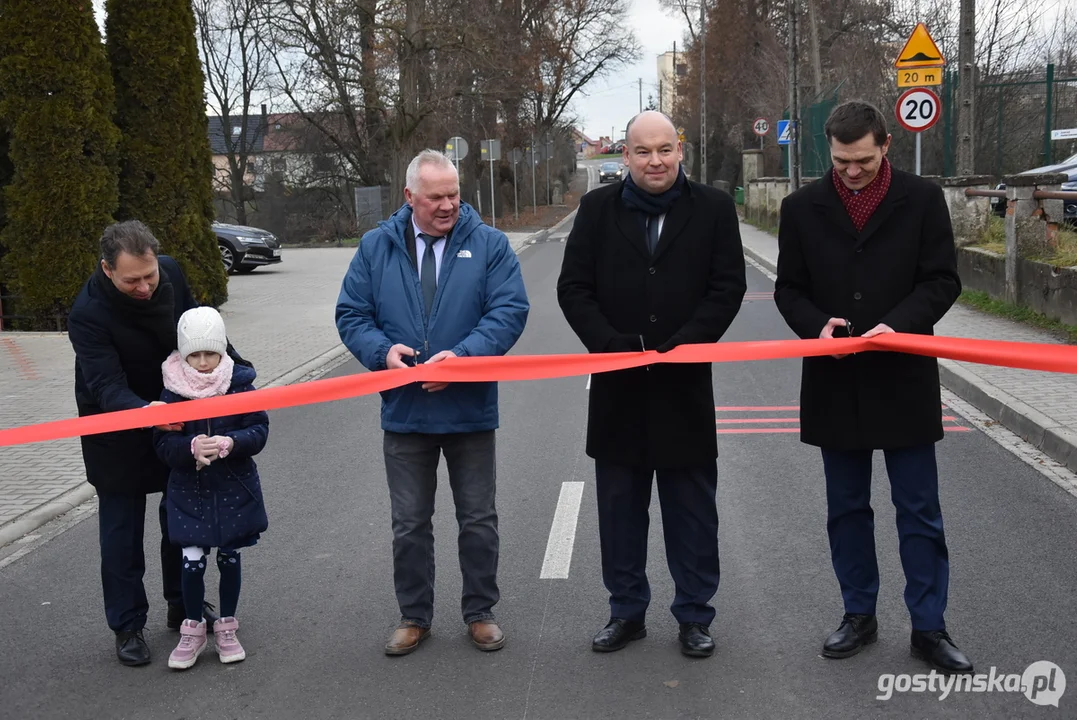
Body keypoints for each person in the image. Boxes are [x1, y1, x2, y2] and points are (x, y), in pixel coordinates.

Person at [773, 100, 972, 674]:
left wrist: (901, 325)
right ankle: (858, 614)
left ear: (885, 144)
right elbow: (789, 289)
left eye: (861, 160)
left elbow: (942, 280)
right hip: (835, 380)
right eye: (840, 162)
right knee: (847, 509)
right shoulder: (802, 207)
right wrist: (817, 325)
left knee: (919, 510)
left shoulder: (923, 198)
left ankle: (929, 627)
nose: (851, 171)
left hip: (904, 376)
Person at [556, 111, 747, 658]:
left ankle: (694, 615)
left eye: (665, 149)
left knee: (691, 510)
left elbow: (726, 287)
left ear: (680, 150)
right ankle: (626, 612)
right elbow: (574, 289)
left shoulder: (712, 209)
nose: (655, 160)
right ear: (626, 156)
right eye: (643, 151)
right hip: (619, 385)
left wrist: (686, 343)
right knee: (620, 510)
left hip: (684, 384)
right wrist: (611, 345)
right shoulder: (596, 209)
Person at [335, 149, 529, 656]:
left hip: (469, 411)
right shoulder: (376, 247)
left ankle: (480, 611)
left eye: (454, 195)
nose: (449, 206)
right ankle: (414, 616)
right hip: (404, 412)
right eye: (436, 197)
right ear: (410, 197)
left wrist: (462, 359)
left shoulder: (489, 245)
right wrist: (382, 352)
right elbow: (352, 313)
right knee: (409, 525)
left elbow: (509, 310)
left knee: (478, 519)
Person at [68, 220, 222, 666]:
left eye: (149, 276)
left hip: (174, 421)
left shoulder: (171, 273)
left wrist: (238, 371)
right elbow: (105, 386)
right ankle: (128, 624)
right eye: (132, 279)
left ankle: (184, 605)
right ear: (107, 270)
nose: (144, 287)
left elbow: (201, 334)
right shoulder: (87, 313)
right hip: (116, 429)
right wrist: (145, 412)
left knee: (181, 522)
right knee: (121, 532)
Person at [153, 306, 269, 670]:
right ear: (183, 354)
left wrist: (231, 443)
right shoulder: (171, 392)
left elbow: (259, 430)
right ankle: (192, 629)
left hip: (233, 487)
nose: (203, 362)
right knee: (191, 559)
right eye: (194, 354)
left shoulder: (241, 385)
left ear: (222, 351)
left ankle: (227, 626)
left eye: (210, 353)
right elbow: (161, 444)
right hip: (189, 490)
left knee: (230, 556)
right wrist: (188, 449)